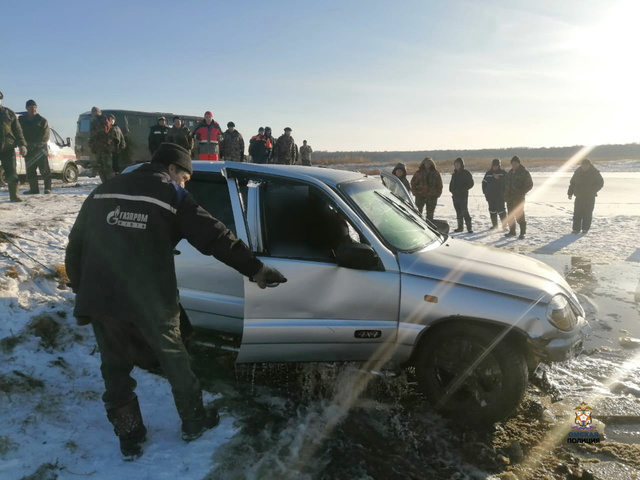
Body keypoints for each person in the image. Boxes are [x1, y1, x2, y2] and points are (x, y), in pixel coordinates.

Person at [65, 143, 287, 460]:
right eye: (184, 177)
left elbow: (76, 244)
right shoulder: (171, 193)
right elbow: (215, 235)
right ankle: (195, 422)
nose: (184, 184)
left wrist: (80, 288)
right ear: (171, 169)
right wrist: (256, 269)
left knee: (114, 370)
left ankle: (130, 437)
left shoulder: (105, 189)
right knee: (176, 361)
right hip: (150, 298)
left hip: (102, 297)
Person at [0, 91, 28, 202]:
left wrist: (22, 144)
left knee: (11, 172)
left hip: (8, 147)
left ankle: (14, 195)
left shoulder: (8, 113)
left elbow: (18, 130)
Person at [19, 99, 52, 194]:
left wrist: (35, 144)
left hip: (40, 150)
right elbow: (19, 133)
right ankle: (34, 189)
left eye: (34, 107)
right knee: (30, 172)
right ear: (26, 108)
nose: (33, 109)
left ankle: (47, 188)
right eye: (30, 107)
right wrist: (23, 145)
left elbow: (45, 136)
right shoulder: (22, 120)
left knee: (45, 170)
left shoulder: (42, 120)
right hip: (28, 150)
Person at [568, 158, 604, 234]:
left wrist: (593, 190)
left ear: (589, 165)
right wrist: (570, 193)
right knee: (577, 213)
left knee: (587, 214)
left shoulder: (595, 173)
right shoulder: (577, 172)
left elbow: (600, 183)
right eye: (583, 165)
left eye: (586, 165)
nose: (584, 167)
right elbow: (572, 183)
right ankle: (576, 229)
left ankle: (585, 229)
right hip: (579, 196)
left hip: (589, 197)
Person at [504, 155, 533, 239]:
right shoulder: (509, 173)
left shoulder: (524, 173)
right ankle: (512, 232)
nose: (514, 165)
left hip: (519, 198)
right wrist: (505, 195)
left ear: (519, 163)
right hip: (509, 199)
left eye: (515, 163)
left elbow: (530, 185)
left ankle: (522, 233)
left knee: (519, 215)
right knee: (510, 215)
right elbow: (505, 185)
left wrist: (521, 192)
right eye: (512, 163)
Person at [89, 107, 115, 183]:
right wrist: (92, 145)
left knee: (108, 168)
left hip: (105, 148)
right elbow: (92, 136)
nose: (94, 114)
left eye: (95, 112)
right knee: (100, 168)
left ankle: (111, 183)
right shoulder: (94, 122)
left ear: (99, 112)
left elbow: (103, 131)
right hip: (98, 148)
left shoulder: (104, 119)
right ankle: (104, 183)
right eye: (93, 113)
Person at [449, 157, 474, 233]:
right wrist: (452, 191)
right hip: (455, 196)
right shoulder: (454, 174)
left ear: (461, 165)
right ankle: (460, 228)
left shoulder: (466, 173)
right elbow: (451, 185)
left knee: (464, 211)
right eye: (455, 164)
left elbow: (471, 183)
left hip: (463, 196)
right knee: (458, 212)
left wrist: (464, 189)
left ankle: (469, 228)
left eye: (458, 164)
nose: (456, 166)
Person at [481, 159, 507, 230]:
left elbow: (507, 182)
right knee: (492, 211)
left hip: (500, 196)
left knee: (501, 211)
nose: (495, 167)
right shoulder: (488, 173)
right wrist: (485, 192)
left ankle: (504, 226)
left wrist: (499, 178)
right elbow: (484, 183)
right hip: (490, 196)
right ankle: (495, 225)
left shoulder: (503, 173)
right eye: (494, 166)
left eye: (497, 166)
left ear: (499, 166)